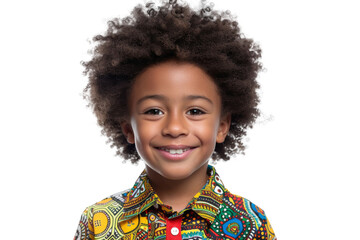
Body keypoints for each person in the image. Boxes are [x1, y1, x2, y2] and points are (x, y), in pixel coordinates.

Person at [74, 0, 276, 239]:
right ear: (128, 128)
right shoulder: (98, 223)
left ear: (222, 126)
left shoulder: (252, 223)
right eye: (154, 111)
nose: (174, 128)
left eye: (195, 111)